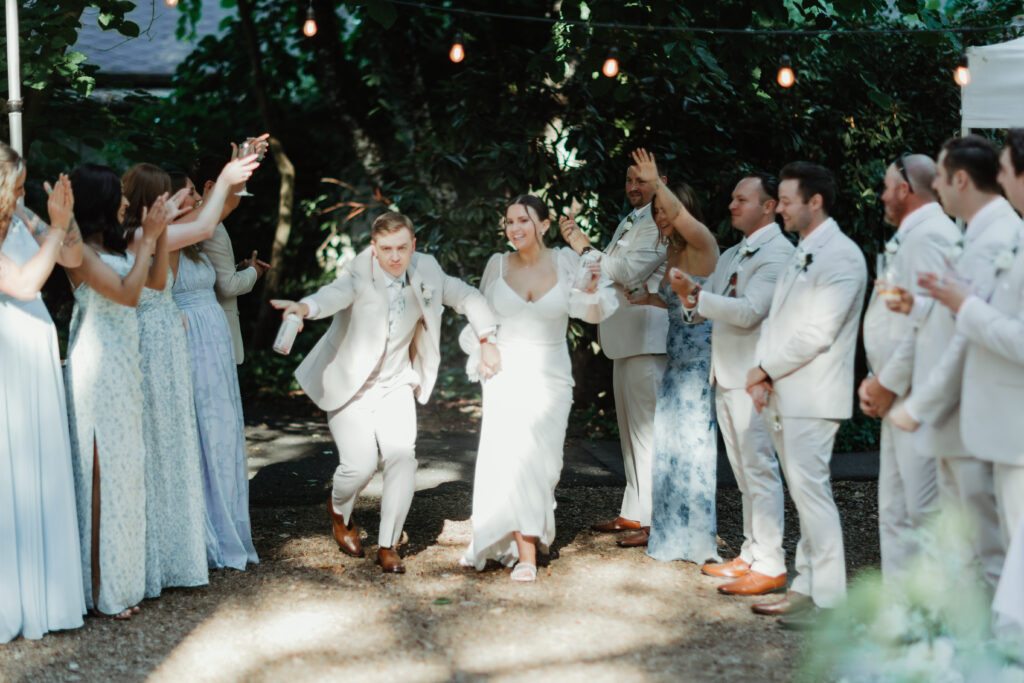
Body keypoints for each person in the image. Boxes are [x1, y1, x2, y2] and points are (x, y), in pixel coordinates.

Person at [272, 211, 499, 574]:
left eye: (402, 248)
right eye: (387, 249)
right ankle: (339, 510)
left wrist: (487, 337)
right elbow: (332, 295)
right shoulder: (360, 271)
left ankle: (388, 543)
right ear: (374, 248)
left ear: (414, 245)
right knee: (359, 466)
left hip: (395, 383)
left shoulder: (427, 270)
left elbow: (467, 295)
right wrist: (304, 308)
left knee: (402, 456)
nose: (395, 257)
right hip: (351, 387)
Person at [888, 135, 1024, 592]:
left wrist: (920, 403)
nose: (938, 189)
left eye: (942, 179)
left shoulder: (999, 238)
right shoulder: (976, 234)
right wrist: (924, 306)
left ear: (959, 179)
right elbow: (955, 317)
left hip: (980, 412)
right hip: (965, 413)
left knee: (991, 551)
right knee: (966, 546)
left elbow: (969, 331)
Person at [458, 195, 617, 581]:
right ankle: (525, 552)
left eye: (523, 220)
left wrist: (592, 288)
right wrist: (483, 345)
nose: (514, 228)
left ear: (544, 225)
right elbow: (480, 319)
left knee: (545, 465)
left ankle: (511, 536)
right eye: (509, 221)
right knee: (512, 457)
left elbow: (590, 312)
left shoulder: (566, 262)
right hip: (505, 374)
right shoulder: (496, 265)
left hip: (551, 376)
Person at [743, 162, 867, 626]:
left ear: (816, 202)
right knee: (803, 493)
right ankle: (806, 585)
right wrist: (766, 378)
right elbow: (779, 320)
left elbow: (818, 332)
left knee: (812, 495)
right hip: (786, 392)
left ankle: (830, 602)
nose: (783, 210)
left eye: (790, 201)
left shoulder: (843, 255)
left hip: (815, 396)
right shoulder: (803, 250)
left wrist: (762, 368)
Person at [674, 173, 794, 595]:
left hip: (757, 378)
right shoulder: (731, 254)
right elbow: (708, 303)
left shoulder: (779, 254)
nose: (731, 205)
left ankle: (772, 563)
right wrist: (692, 301)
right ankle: (749, 553)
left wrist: (699, 296)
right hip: (725, 375)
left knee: (760, 470)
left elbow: (749, 311)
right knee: (743, 474)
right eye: (731, 198)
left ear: (768, 206)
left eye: (741, 199)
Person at [65, 163, 173, 619]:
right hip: (97, 364)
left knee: (126, 471)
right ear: (101, 202)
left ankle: (121, 580)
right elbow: (126, 296)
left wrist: (161, 234)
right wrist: (147, 238)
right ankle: (97, 588)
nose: (126, 203)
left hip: (125, 363)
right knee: (100, 476)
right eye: (119, 197)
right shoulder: (78, 254)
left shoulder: (112, 244)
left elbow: (155, 282)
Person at [855, 154, 959, 581]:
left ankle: (932, 620)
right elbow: (900, 311)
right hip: (896, 389)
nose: (880, 195)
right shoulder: (912, 236)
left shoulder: (930, 236)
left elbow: (930, 321)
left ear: (905, 190)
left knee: (923, 511)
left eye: (885, 187)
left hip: (916, 393)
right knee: (895, 508)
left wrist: (886, 382)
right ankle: (900, 615)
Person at [0, 144, 86, 642]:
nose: (21, 192)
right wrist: (54, 229)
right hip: (9, 356)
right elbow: (28, 282)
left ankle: (47, 597)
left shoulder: (23, 216)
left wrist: (63, 218)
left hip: (34, 351)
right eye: (16, 184)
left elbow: (71, 256)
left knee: (39, 463)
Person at [559, 150, 669, 540]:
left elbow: (626, 271)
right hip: (625, 337)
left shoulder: (660, 223)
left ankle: (657, 520)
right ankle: (635, 511)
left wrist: (584, 248)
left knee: (650, 433)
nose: (632, 187)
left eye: (641, 180)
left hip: (648, 337)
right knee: (630, 432)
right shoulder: (631, 220)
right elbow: (609, 275)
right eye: (629, 180)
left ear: (661, 183)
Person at [617, 149, 720, 559]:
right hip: (675, 358)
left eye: (663, 210)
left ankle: (697, 541)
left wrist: (656, 182)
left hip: (697, 361)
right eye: (656, 211)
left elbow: (701, 299)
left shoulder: (701, 243)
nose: (659, 218)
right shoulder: (674, 252)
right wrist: (648, 298)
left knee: (693, 453)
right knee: (670, 450)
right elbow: (674, 300)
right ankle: (671, 534)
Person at [169, 152, 262, 571]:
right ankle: (204, 532)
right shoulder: (171, 237)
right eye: (188, 191)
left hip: (214, 346)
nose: (194, 197)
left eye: (194, 190)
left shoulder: (192, 236)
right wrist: (228, 177)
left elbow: (222, 209)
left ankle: (227, 527)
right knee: (202, 435)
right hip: (191, 345)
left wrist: (241, 170)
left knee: (223, 435)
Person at [121, 163, 208, 597]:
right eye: (169, 197)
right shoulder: (140, 238)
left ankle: (177, 555)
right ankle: (157, 556)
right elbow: (207, 225)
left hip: (169, 336)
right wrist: (229, 181)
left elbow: (160, 284)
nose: (177, 202)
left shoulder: (155, 239)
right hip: (150, 342)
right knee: (157, 441)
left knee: (173, 442)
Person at [189, 155, 269, 365]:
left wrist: (235, 268)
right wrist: (254, 272)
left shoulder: (195, 222)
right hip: (216, 331)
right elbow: (228, 286)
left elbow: (203, 274)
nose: (241, 190)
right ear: (211, 185)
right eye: (236, 183)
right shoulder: (210, 225)